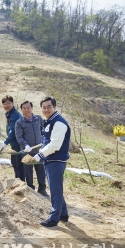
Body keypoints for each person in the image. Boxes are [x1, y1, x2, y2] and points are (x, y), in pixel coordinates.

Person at [32, 96, 71, 227]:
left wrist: (40, 155)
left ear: (54, 107)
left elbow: (55, 145)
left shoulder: (59, 122)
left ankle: (54, 219)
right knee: (56, 188)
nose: (46, 109)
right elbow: (47, 141)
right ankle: (63, 214)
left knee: (55, 190)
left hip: (56, 160)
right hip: (50, 160)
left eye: (49, 107)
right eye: (44, 107)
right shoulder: (49, 121)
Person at [15, 101, 49, 197]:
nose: (26, 110)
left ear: (32, 108)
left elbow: (44, 131)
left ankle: (42, 189)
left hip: (39, 150)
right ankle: (31, 189)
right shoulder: (19, 122)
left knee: (40, 169)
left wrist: (44, 141)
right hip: (27, 152)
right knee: (28, 171)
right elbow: (19, 137)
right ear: (21, 110)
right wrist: (25, 145)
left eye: (28, 108)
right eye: (24, 108)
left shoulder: (38, 119)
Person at [0, 95, 24, 180]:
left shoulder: (15, 115)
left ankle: (21, 184)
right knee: (14, 163)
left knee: (19, 165)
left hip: (19, 144)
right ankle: (17, 182)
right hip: (14, 144)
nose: (6, 105)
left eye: (8, 103)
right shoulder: (9, 114)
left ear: (13, 103)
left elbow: (13, 131)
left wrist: (5, 142)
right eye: (4, 104)